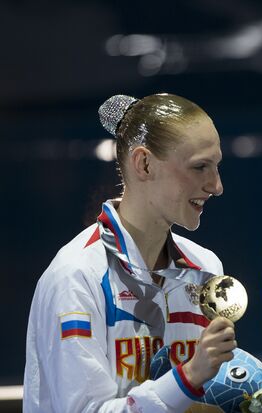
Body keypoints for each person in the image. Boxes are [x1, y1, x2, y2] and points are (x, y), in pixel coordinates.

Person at [24, 93, 237, 412]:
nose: (216, 186)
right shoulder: (77, 276)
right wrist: (188, 376)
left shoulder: (206, 267)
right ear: (144, 163)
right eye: (200, 167)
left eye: (216, 166)